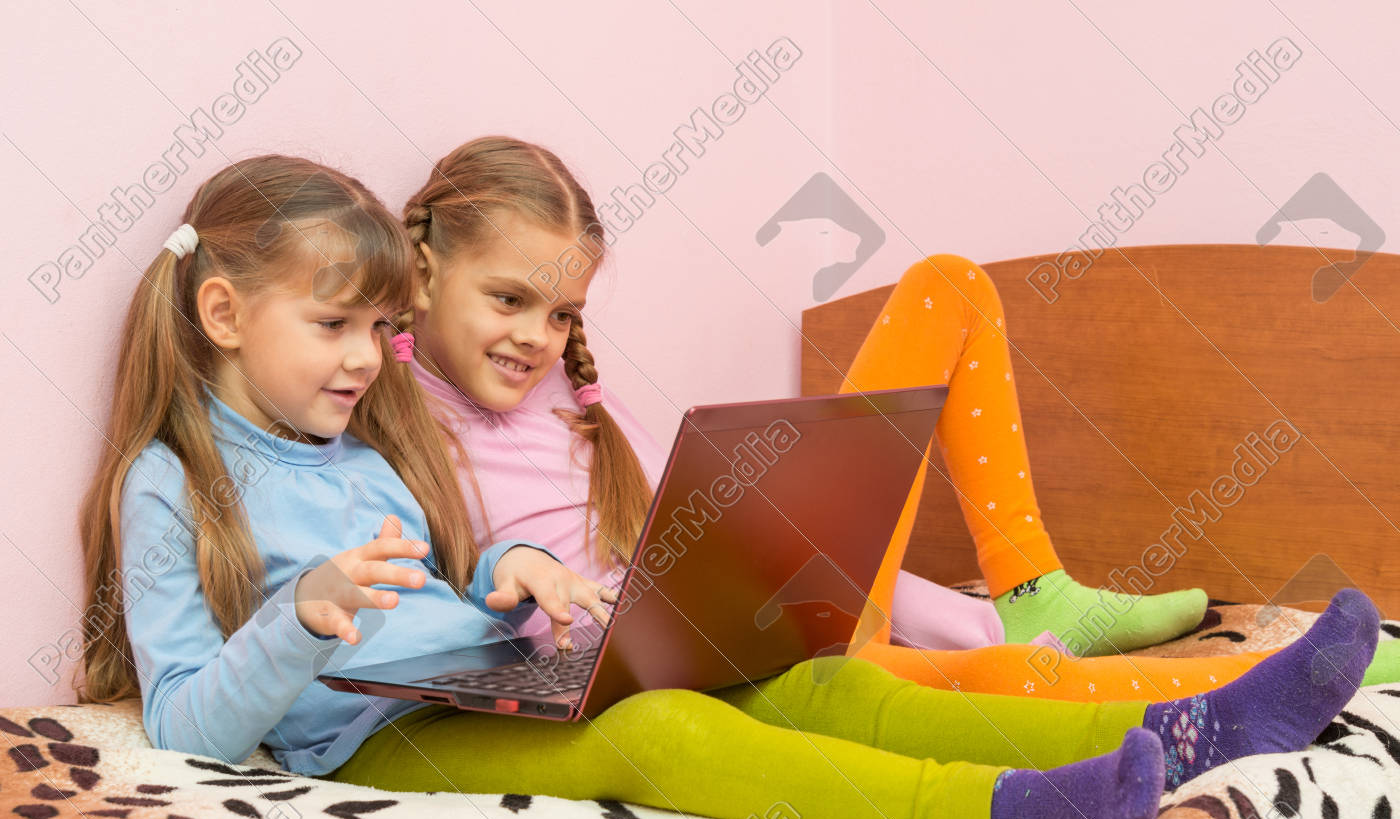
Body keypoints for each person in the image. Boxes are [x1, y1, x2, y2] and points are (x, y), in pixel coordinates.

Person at [79, 153, 1378, 819]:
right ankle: (1008, 809)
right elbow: (192, 721)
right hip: (357, 737)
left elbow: (423, 599)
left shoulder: (353, 451)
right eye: (337, 325)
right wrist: (301, 617)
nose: (368, 357)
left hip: (489, 672)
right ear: (222, 312)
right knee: (672, 738)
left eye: (378, 326)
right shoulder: (170, 482)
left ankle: (1207, 725)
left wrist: (502, 589)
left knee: (816, 680)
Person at [396, 135, 1400, 703]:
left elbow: (751, 552)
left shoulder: (583, 412)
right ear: (425, 265)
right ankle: (1288, 668)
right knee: (1006, 682)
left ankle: (1029, 585)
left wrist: (935, 607)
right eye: (508, 299)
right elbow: (432, 629)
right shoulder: (389, 427)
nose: (535, 335)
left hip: (767, 626)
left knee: (947, 287)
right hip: (715, 676)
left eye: (561, 310)